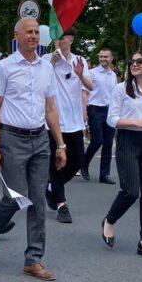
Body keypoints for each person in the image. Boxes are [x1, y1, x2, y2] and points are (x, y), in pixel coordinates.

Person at [0, 18, 66, 280]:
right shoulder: (4, 68)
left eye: (37, 32)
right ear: (17, 35)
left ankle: (33, 259)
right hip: (12, 139)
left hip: (39, 139)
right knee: (16, 197)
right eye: (28, 32)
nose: (34, 36)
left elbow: (50, 108)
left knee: (38, 199)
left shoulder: (46, 69)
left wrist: (60, 144)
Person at [100, 50, 142, 259]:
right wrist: (134, 122)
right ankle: (109, 220)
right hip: (128, 140)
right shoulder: (121, 89)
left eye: (139, 61)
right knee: (130, 191)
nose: (134, 64)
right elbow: (112, 119)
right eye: (132, 61)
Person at [45, 28, 92, 223]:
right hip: (54, 122)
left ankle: (51, 188)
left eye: (64, 38)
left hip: (74, 122)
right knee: (57, 164)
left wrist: (80, 75)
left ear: (71, 40)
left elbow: (90, 86)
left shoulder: (79, 60)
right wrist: (52, 64)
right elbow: (38, 81)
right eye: (58, 38)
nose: (60, 41)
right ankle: (62, 205)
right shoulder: (47, 60)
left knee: (77, 161)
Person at [82, 48, 119, 184]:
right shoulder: (91, 73)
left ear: (111, 59)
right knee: (97, 141)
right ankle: (84, 163)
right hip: (95, 110)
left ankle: (104, 175)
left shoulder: (113, 75)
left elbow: (114, 94)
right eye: (101, 56)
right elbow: (85, 92)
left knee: (108, 143)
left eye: (106, 57)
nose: (103, 59)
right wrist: (84, 110)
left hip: (109, 111)